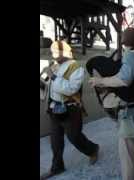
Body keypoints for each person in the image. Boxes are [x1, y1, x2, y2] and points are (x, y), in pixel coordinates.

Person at [89, 27, 134, 180]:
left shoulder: (131, 56)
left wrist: (101, 81)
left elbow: (124, 80)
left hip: (129, 112)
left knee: (126, 154)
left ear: (124, 40)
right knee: (130, 145)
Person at [40, 41, 100, 180]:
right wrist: (43, 79)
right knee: (55, 141)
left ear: (65, 53)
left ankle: (92, 149)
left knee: (74, 137)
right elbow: (47, 86)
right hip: (54, 109)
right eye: (52, 51)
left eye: (55, 52)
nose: (52, 55)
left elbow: (70, 89)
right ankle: (57, 167)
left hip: (70, 109)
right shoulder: (54, 66)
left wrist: (53, 76)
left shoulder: (76, 67)